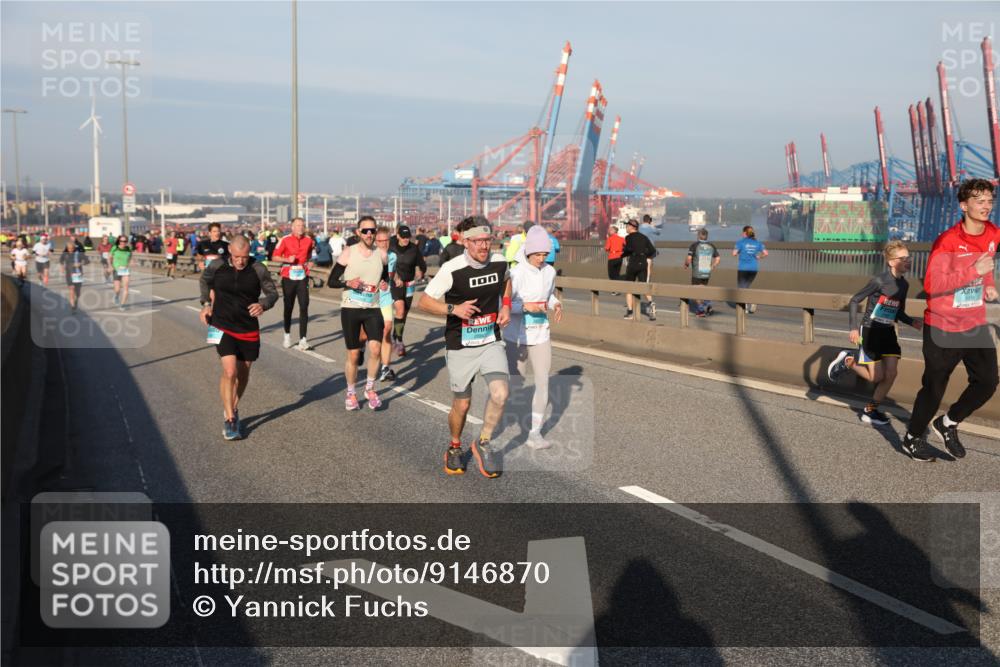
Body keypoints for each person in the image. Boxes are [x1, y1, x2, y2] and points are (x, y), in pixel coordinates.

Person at [901, 178, 999, 462]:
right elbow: (932, 283)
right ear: (964, 205)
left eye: (990, 200)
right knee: (934, 387)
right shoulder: (948, 241)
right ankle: (911, 438)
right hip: (943, 326)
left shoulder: (993, 233)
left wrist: (988, 282)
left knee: (988, 382)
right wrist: (973, 271)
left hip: (975, 324)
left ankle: (948, 423)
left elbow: (987, 263)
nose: (986, 206)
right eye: (979, 201)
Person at [419, 216, 512, 478]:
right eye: (478, 241)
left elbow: (507, 279)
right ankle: (455, 445)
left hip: (490, 340)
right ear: (466, 242)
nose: (484, 246)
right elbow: (424, 302)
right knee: (462, 404)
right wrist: (453, 309)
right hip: (460, 344)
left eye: (488, 240)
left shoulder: (499, 261)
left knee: (500, 393)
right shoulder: (452, 268)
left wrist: (505, 304)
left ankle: (483, 442)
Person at [827, 240, 922, 425]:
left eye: (909, 257)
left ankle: (869, 411)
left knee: (891, 374)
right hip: (871, 330)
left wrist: (913, 322)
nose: (908, 261)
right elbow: (855, 300)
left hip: (888, 331)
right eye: (903, 258)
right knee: (876, 377)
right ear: (891, 262)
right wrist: (853, 328)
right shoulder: (879, 281)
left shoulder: (904, 285)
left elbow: (898, 310)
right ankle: (848, 360)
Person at [199, 235, 279, 440]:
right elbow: (204, 281)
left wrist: (263, 304)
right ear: (230, 253)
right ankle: (230, 419)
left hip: (247, 327)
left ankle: (232, 407)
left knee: (243, 374)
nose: (240, 261)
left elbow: (272, 293)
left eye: (244, 256)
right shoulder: (217, 265)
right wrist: (205, 304)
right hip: (220, 325)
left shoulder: (258, 268)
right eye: (236, 256)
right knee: (230, 370)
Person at [504, 226, 563, 449]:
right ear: (528, 252)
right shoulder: (516, 273)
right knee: (515, 385)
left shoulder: (550, 272)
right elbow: (506, 304)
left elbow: (548, 295)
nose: (541, 258)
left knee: (542, 381)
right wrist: (524, 306)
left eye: (544, 255)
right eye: (537, 254)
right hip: (516, 335)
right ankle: (503, 413)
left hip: (540, 334)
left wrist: (555, 303)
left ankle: (534, 434)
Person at [328, 216, 388, 410]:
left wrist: (385, 282)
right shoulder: (349, 252)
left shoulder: (382, 254)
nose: (369, 234)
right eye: (365, 231)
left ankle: (370, 388)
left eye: (372, 230)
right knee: (354, 355)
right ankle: (351, 393)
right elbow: (331, 281)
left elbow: (384, 275)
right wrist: (348, 282)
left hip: (373, 308)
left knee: (376, 349)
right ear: (358, 233)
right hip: (351, 308)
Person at [272, 217, 315, 350]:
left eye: (302, 225)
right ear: (292, 227)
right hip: (288, 276)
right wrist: (287, 259)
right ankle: (287, 335)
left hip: (302, 276)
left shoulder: (309, 241)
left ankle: (303, 339)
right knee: (289, 306)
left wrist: (309, 262)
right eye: (298, 225)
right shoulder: (284, 240)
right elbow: (274, 256)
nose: (301, 228)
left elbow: (308, 256)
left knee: (304, 306)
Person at [388, 224, 427, 358]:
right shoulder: (391, 247)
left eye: (407, 237)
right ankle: (399, 341)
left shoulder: (414, 249)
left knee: (403, 314)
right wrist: (395, 276)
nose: (405, 239)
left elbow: (421, 263)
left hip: (409, 284)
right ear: (398, 236)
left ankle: (396, 335)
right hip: (395, 283)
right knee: (400, 308)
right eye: (403, 237)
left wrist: (420, 271)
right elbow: (386, 264)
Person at [621, 218, 657, 321]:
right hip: (643, 263)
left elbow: (628, 249)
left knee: (629, 288)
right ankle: (651, 304)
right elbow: (653, 251)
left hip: (633, 263)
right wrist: (645, 255)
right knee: (644, 286)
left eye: (627, 226)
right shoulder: (644, 237)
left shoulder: (628, 237)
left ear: (632, 227)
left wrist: (623, 253)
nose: (626, 228)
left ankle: (630, 312)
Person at [375, 227, 398, 382]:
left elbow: (392, 274)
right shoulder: (370, 256)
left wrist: (395, 281)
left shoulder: (393, 256)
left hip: (385, 297)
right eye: (380, 241)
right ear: (375, 241)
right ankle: (362, 348)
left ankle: (385, 368)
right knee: (364, 335)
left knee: (387, 330)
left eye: (386, 240)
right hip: (369, 298)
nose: (384, 243)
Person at [685, 228, 720, 317]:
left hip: (697, 273)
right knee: (703, 290)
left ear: (698, 235)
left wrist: (686, 264)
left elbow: (689, 258)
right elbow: (718, 258)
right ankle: (708, 306)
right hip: (706, 273)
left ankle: (701, 310)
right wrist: (712, 266)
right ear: (706, 236)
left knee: (696, 292)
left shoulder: (694, 245)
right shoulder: (711, 246)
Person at [733, 225, 768, 313]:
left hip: (743, 269)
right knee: (746, 287)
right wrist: (759, 257)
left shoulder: (740, 242)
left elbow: (734, 253)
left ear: (745, 233)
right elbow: (766, 253)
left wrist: (739, 253)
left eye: (742, 232)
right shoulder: (758, 243)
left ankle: (747, 306)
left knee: (741, 288)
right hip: (753, 269)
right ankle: (749, 303)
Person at [59, 240, 89, 312]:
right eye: (69, 248)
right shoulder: (65, 253)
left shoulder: (79, 253)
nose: (70, 250)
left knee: (78, 293)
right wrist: (62, 267)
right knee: (72, 289)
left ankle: (75, 302)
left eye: (72, 248)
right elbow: (61, 260)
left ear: (74, 248)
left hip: (78, 274)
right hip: (69, 274)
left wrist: (80, 264)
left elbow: (87, 261)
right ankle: (72, 306)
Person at [110, 235, 132, 310]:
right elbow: (110, 257)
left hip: (125, 270)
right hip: (116, 269)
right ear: (119, 241)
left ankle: (122, 305)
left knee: (126, 288)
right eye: (121, 241)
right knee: (117, 289)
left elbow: (130, 258)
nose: (123, 243)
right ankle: (116, 296)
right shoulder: (115, 248)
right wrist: (110, 266)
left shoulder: (128, 249)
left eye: (125, 241)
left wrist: (129, 264)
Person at [605, 224, 625, 294]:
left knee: (611, 274)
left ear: (614, 231)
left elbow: (607, 248)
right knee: (617, 274)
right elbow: (626, 247)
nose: (609, 231)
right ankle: (617, 289)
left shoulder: (610, 239)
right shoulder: (622, 239)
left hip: (612, 257)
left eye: (611, 230)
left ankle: (614, 290)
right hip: (620, 257)